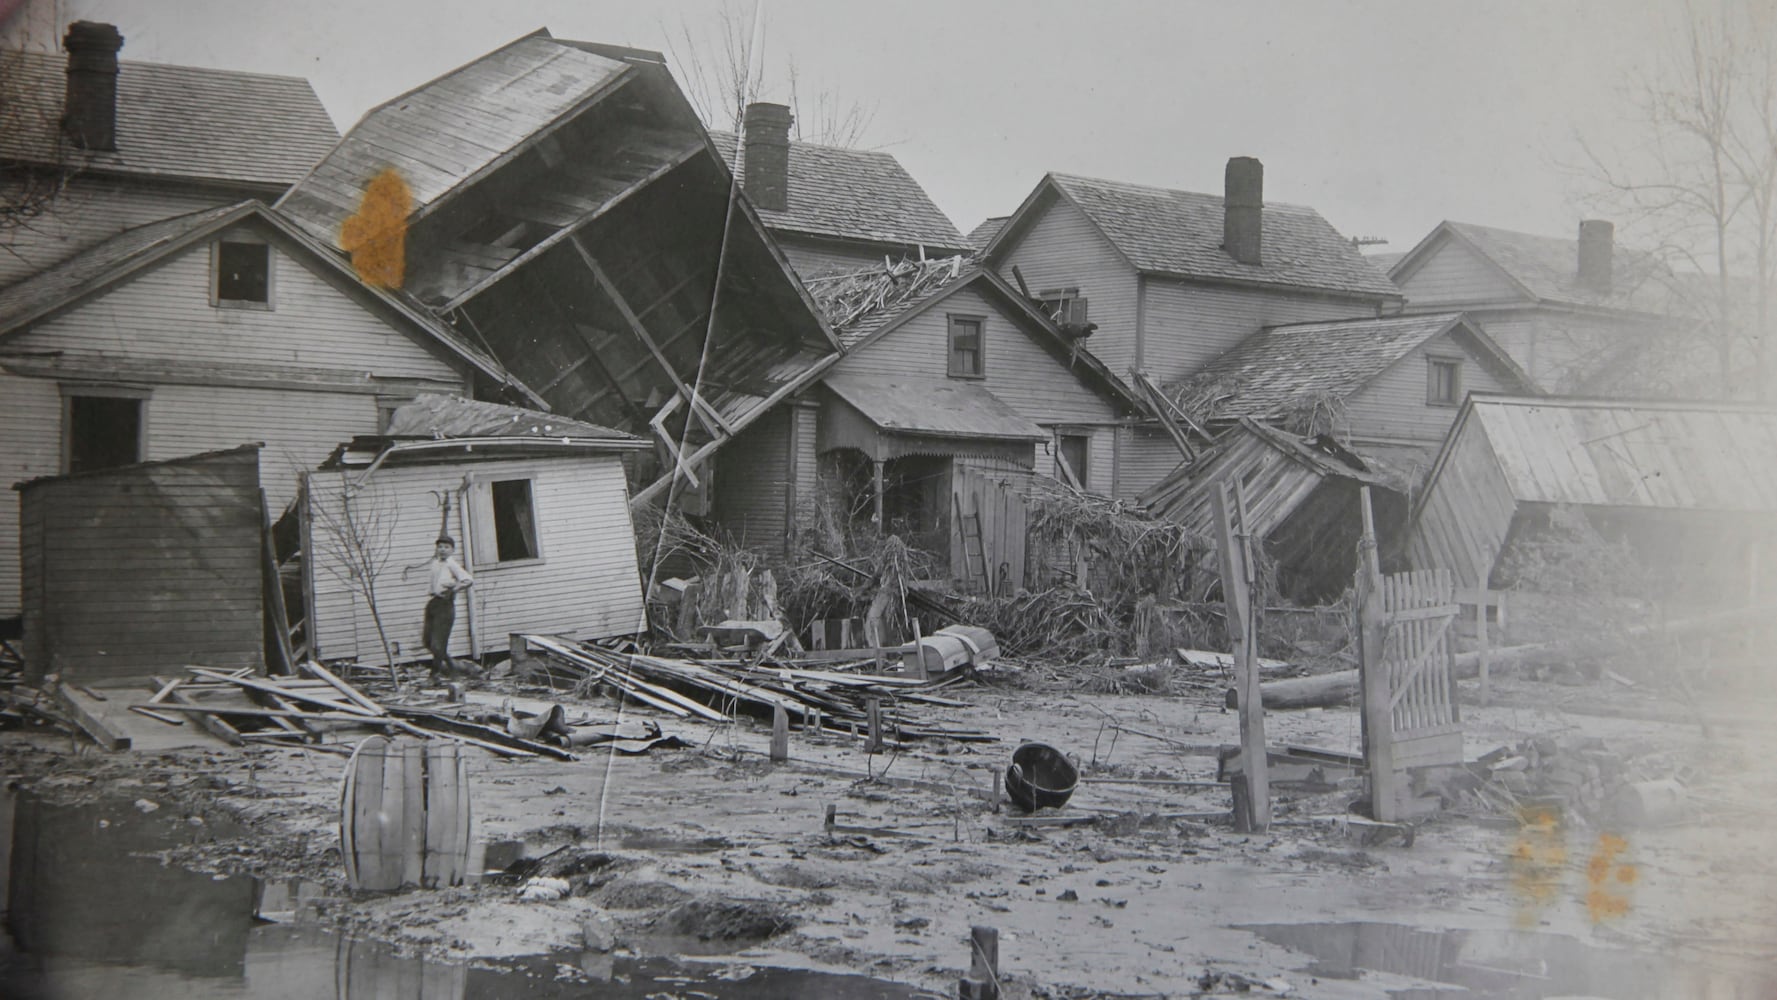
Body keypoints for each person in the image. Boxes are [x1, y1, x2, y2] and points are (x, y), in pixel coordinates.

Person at [423, 535, 475, 683]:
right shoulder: (435, 563)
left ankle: (435, 675)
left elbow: (468, 579)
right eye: (440, 547)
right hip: (433, 603)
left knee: (438, 643)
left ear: (452, 550)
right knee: (427, 641)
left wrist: (454, 588)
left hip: (445, 605)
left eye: (446, 547)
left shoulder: (451, 564)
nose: (443, 550)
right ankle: (453, 668)